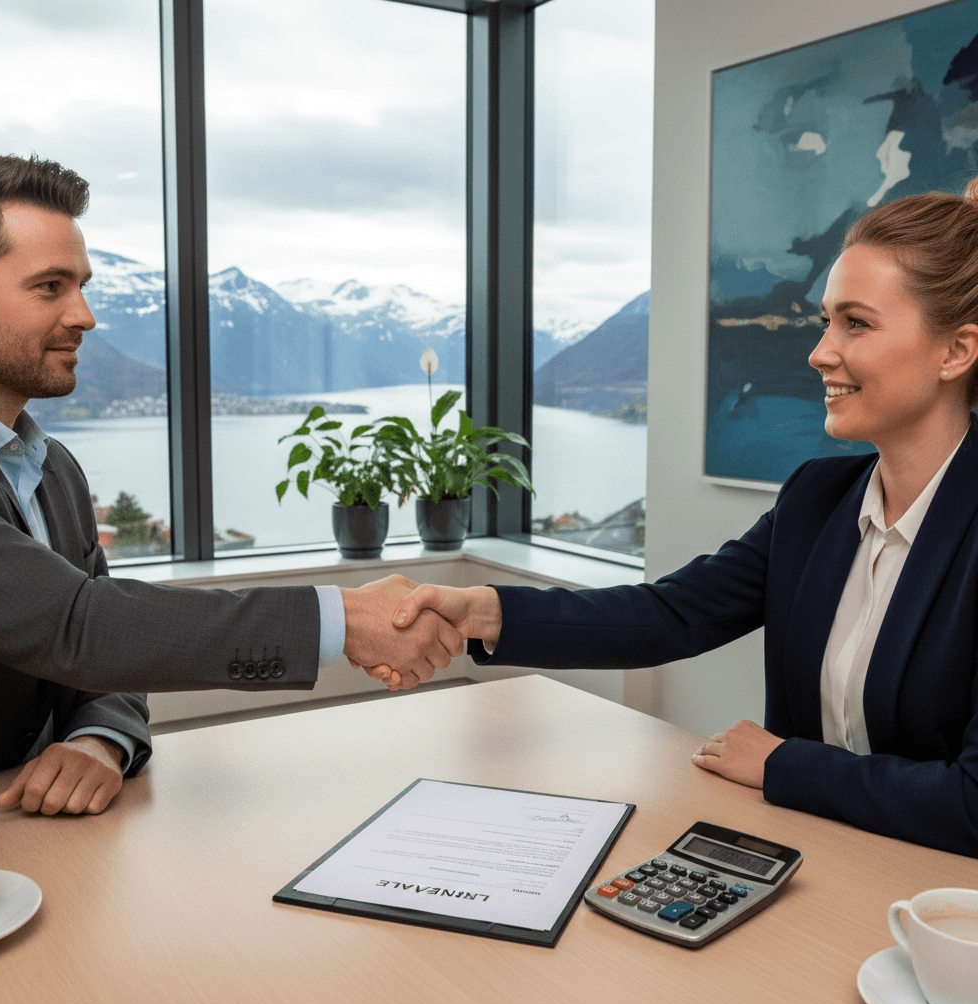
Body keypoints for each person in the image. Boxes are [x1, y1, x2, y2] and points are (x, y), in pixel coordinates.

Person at [382, 180, 978, 858]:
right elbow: (671, 614)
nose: (819, 353)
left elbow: (972, 803)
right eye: (825, 322)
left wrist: (782, 764)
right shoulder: (818, 500)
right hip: (807, 865)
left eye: (857, 323)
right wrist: (481, 612)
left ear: (955, 352)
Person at [0, 152, 461, 815]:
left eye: (82, 285)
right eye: (50, 286)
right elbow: (81, 626)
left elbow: (111, 647)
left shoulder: (54, 471)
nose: (85, 315)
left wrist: (99, 737)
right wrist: (346, 617)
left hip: (38, 847)